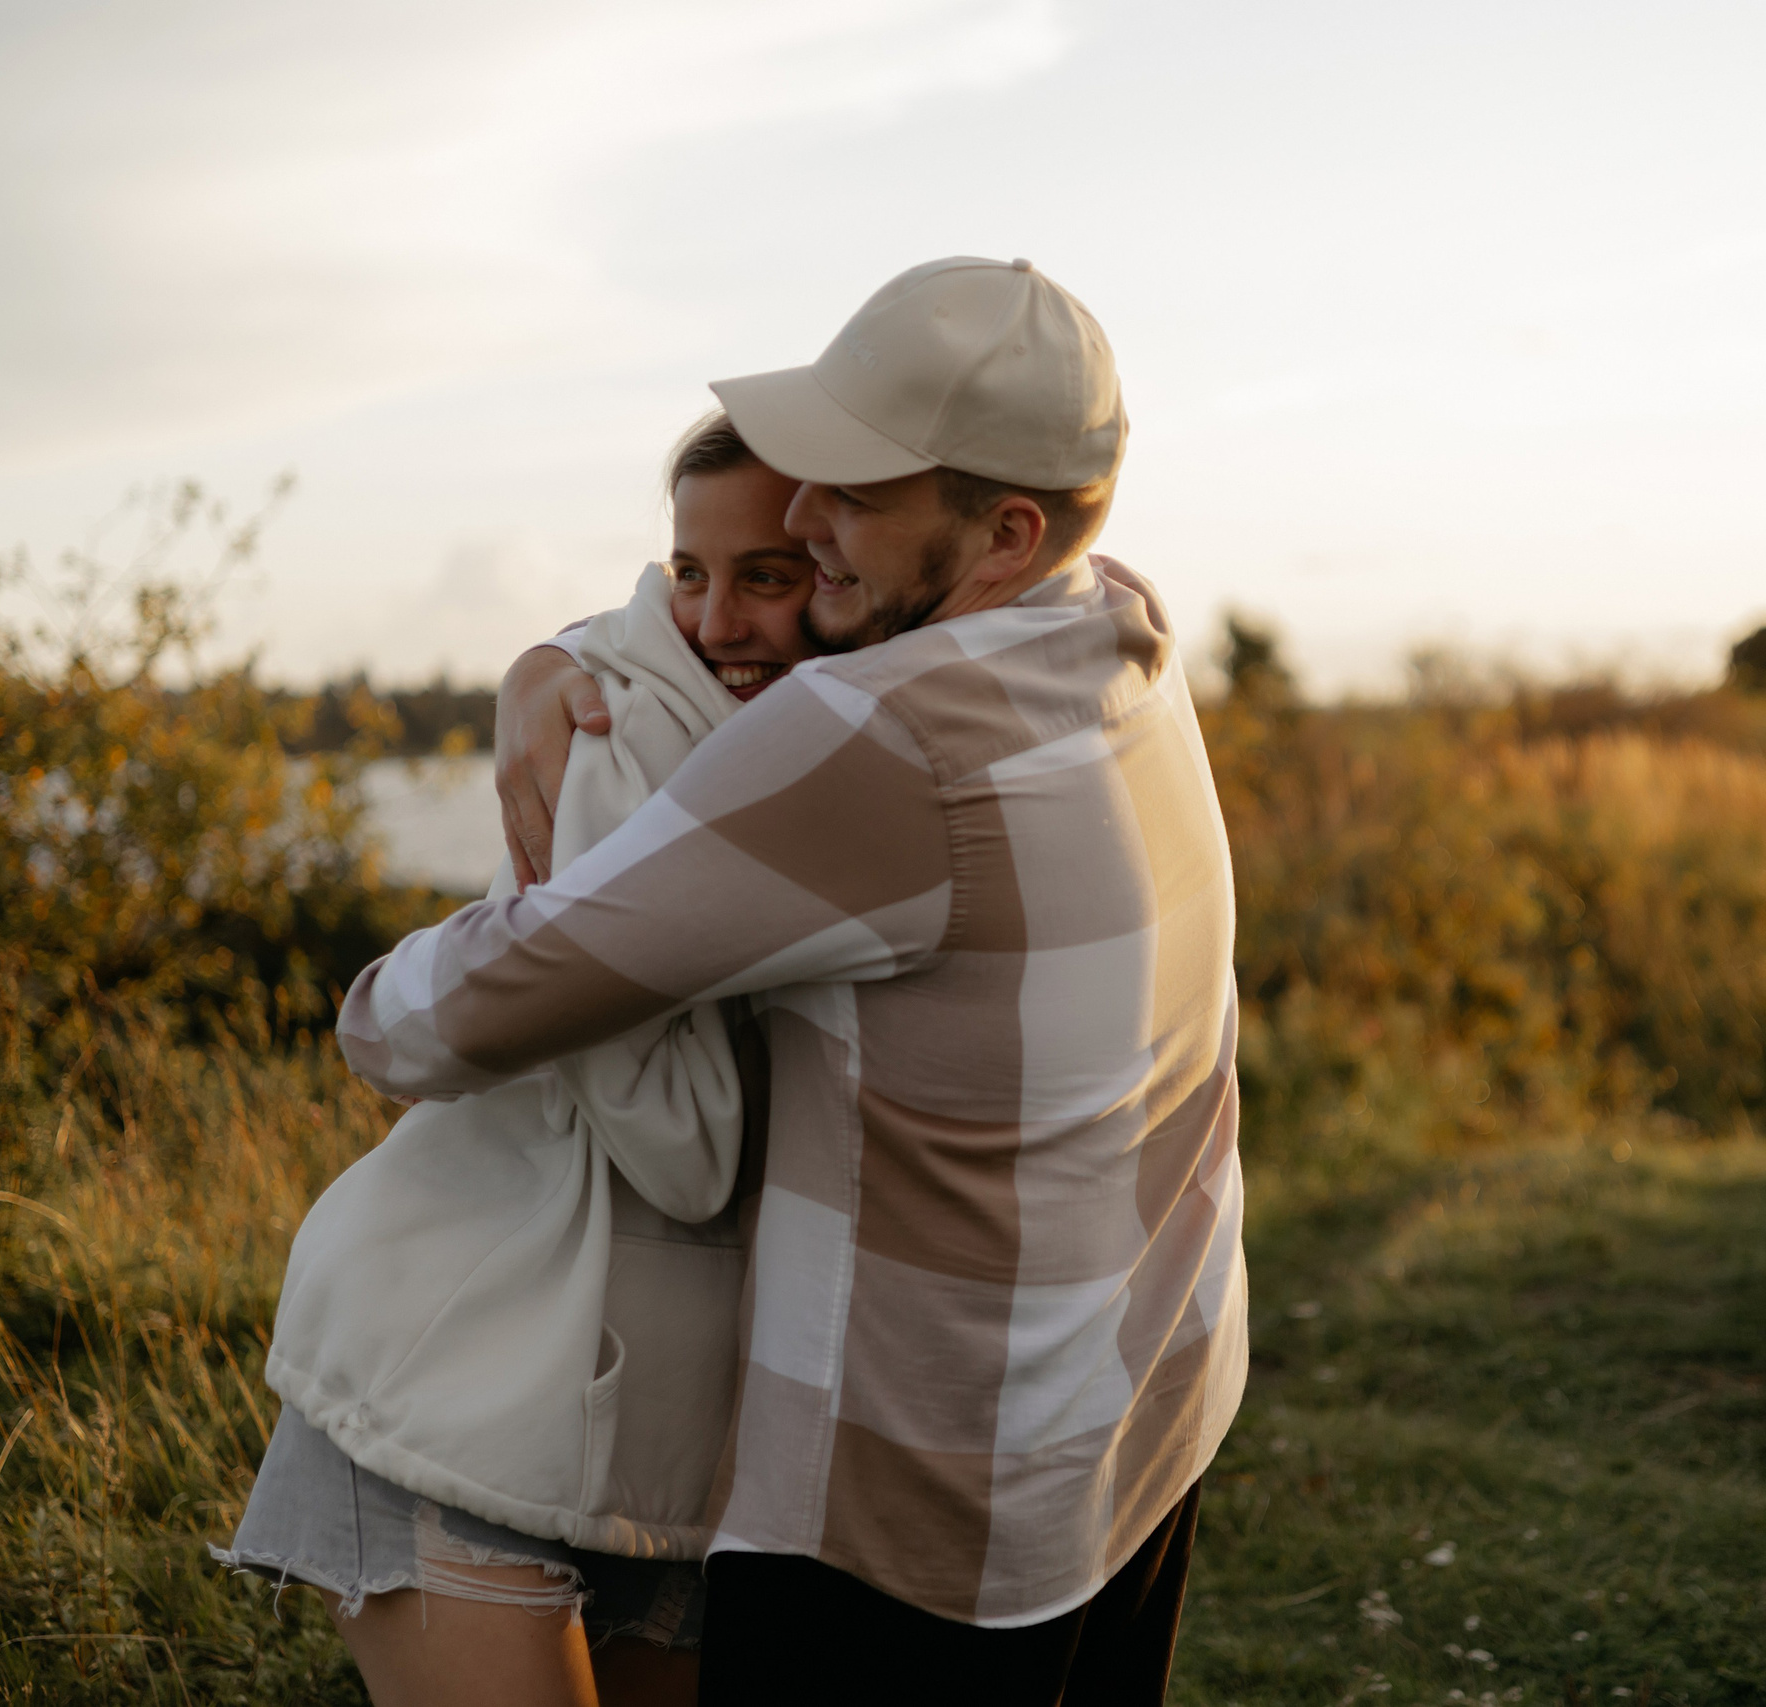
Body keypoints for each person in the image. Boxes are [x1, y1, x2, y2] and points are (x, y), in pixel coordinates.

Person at [358, 254, 1249, 1705]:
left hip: (921, 1527)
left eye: (854, 491)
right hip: (1143, 1416)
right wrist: (563, 653)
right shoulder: (1117, 623)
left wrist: (375, 994)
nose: (805, 512)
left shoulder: (880, 733)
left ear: (1007, 531)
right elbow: (748, 626)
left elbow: (459, 1015)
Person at [216, 415, 821, 1707]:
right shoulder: (616, 739)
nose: (718, 620)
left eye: (766, 576)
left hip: (667, 1448)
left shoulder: (819, 753)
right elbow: (688, 1149)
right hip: (461, 1384)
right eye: (690, 573)